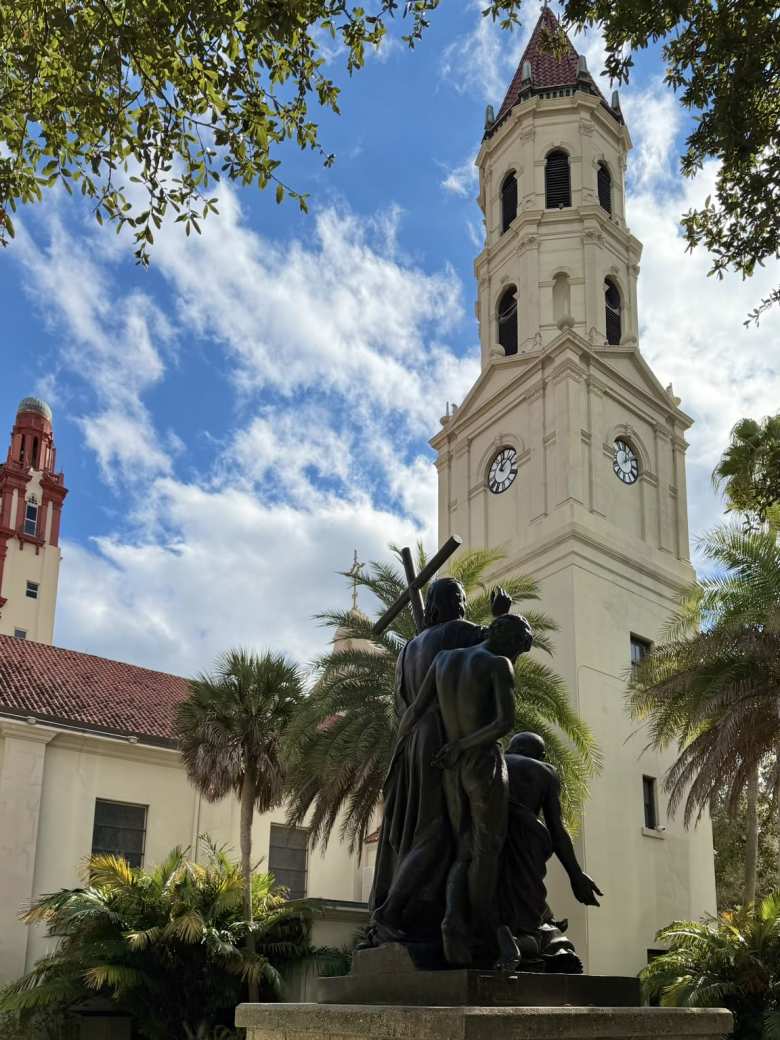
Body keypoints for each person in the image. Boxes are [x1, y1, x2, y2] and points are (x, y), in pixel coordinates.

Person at [368, 578, 512, 949]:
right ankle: (395, 913)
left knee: (423, 830)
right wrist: (500, 616)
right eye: (461, 598)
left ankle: (411, 910)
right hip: (441, 740)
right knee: (438, 832)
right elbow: (500, 650)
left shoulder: (407, 649)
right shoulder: (461, 632)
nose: (464, 605)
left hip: (410, 741)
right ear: (450, 603)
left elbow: (403, 704)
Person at [396, 613, 534, 966]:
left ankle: (453, 919)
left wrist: (403, 754)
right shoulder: (499, 664)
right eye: (518, 648)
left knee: (464, 849)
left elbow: (415, 711)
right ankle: (486, 930)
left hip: (450, 768)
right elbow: (504, 723)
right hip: (481, 761)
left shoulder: (444, 659)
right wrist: (463, 745)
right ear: (508, 641)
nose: (516, 655)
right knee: (488, 850)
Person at [499, 732, 602, 967]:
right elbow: (557, 829)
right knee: (526, 913)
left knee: (498, 897)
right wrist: (575, 875)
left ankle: (506, 937)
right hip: (527, 843)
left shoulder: (495, 762)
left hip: (491, 839)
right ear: (541, 755)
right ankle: (521, 941)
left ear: (511, 748)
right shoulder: (545, 771)